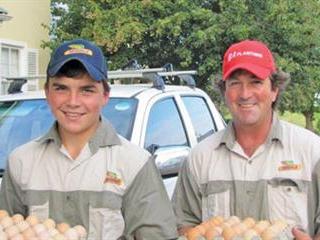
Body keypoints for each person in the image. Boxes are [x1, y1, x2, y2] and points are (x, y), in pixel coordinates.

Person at [0, 39, 178, 240]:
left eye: (87, 90)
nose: (73, 102)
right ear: (47, 93)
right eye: (61, 88)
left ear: (105, 95)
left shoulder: (134, 163)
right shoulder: (20, 162)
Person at [172, 39, 320, 239]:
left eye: (256, 82)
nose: (245, 94)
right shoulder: (200, 158)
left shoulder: (311, 151)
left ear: (274, 90)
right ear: (224, 91)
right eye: (235, 83)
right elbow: (183, 224)